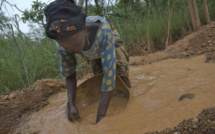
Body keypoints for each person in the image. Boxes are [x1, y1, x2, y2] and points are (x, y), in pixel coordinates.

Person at [44, 0, 131, 123]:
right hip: (93, 53)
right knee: (99, 76)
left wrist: (101, 116)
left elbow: (109, 75)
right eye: (68, 48)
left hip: (111, 43)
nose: (72, 49)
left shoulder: (103, 31)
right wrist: (72, 105)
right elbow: (69, 74)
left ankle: (130, 92)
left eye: (75, 44)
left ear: (84, 29)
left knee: (121, 71)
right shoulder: (63, 45)